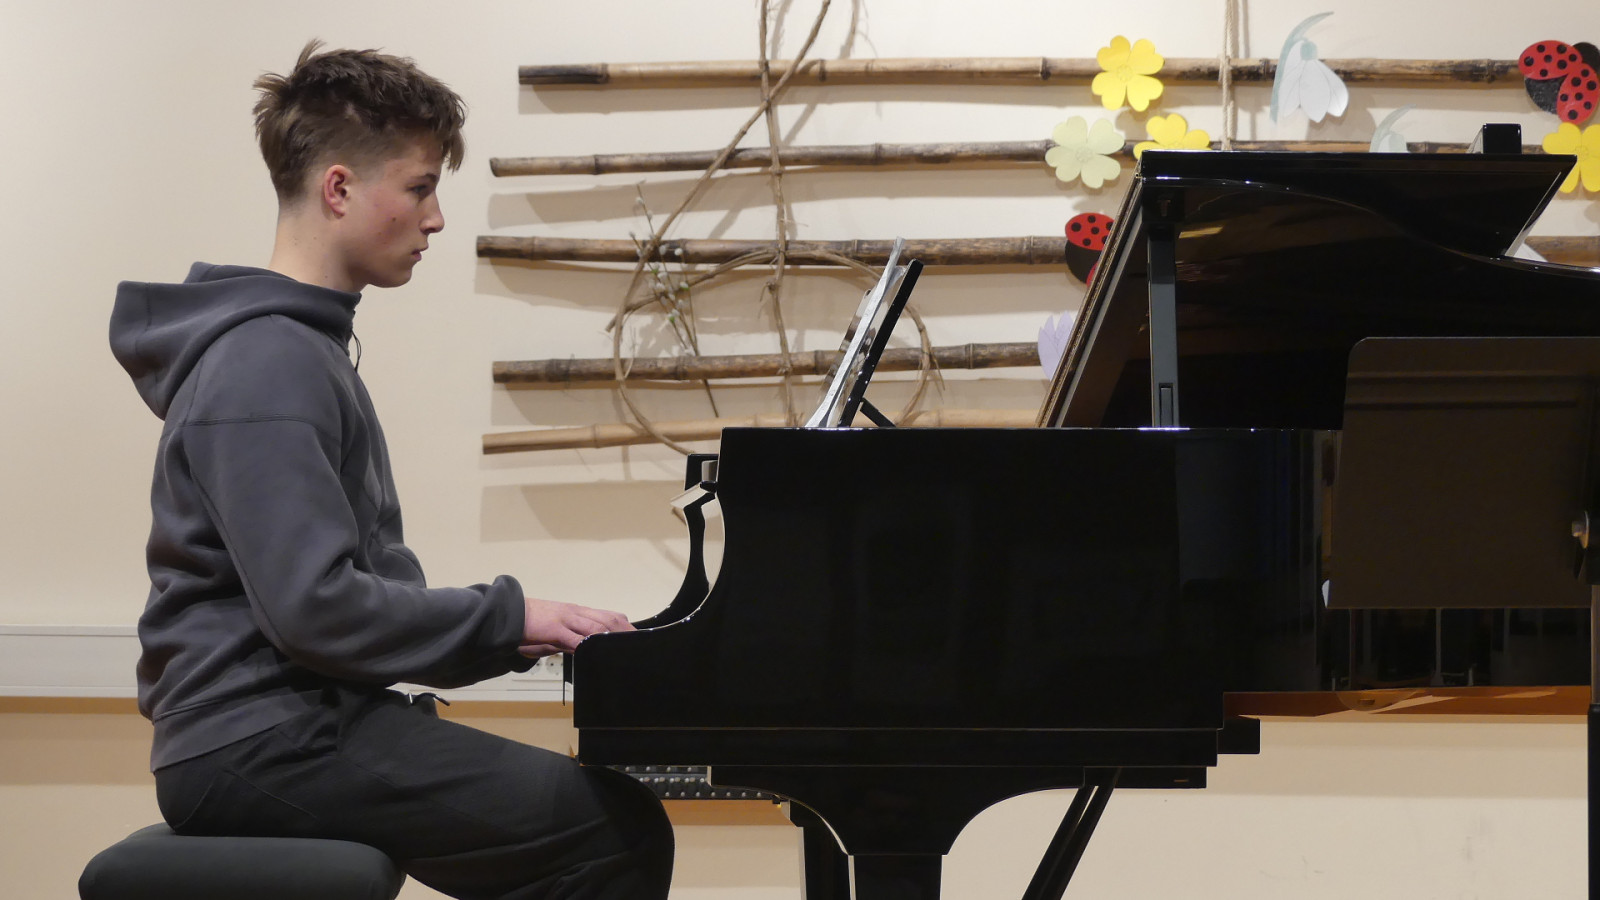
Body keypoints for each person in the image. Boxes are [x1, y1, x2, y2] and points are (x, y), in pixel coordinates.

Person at [108, 40, 673, 900]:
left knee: (601, 819)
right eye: (419, 188)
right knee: (611, 830)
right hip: (257, 737)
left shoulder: (297, 348)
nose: (436, 218)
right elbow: (316, 610)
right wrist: (510, 614)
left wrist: (508, 630)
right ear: (338, 189)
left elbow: (332, 607)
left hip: (286, 722)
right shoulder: (267, 361)